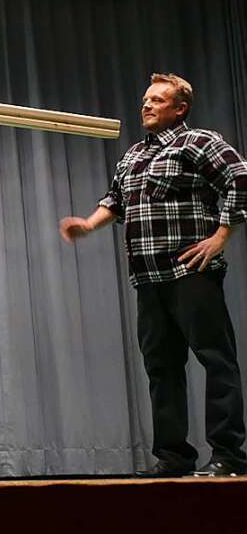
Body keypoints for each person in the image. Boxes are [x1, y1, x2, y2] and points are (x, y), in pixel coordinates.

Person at [60, 73, 247, 478]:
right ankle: (174, 456)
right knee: (161, 368)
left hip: (191, 271)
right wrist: (89, 225)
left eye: (158, 100)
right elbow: (115, 199)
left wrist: (221, 235)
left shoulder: (199, 142)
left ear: (180, 108)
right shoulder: (132, 156)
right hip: (147, 278)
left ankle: (229, 456)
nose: (147, 105)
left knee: (216, 361)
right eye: (146, 99)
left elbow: (240, 178)